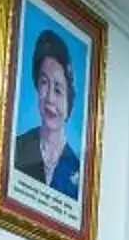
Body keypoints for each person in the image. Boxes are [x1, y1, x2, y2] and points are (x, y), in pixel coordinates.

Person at [11, 30, 80, 196]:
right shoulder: (16, 149)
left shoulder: (78, 171)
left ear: (69, 98)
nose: (49, 98)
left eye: (57, 89)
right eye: (44, 83)